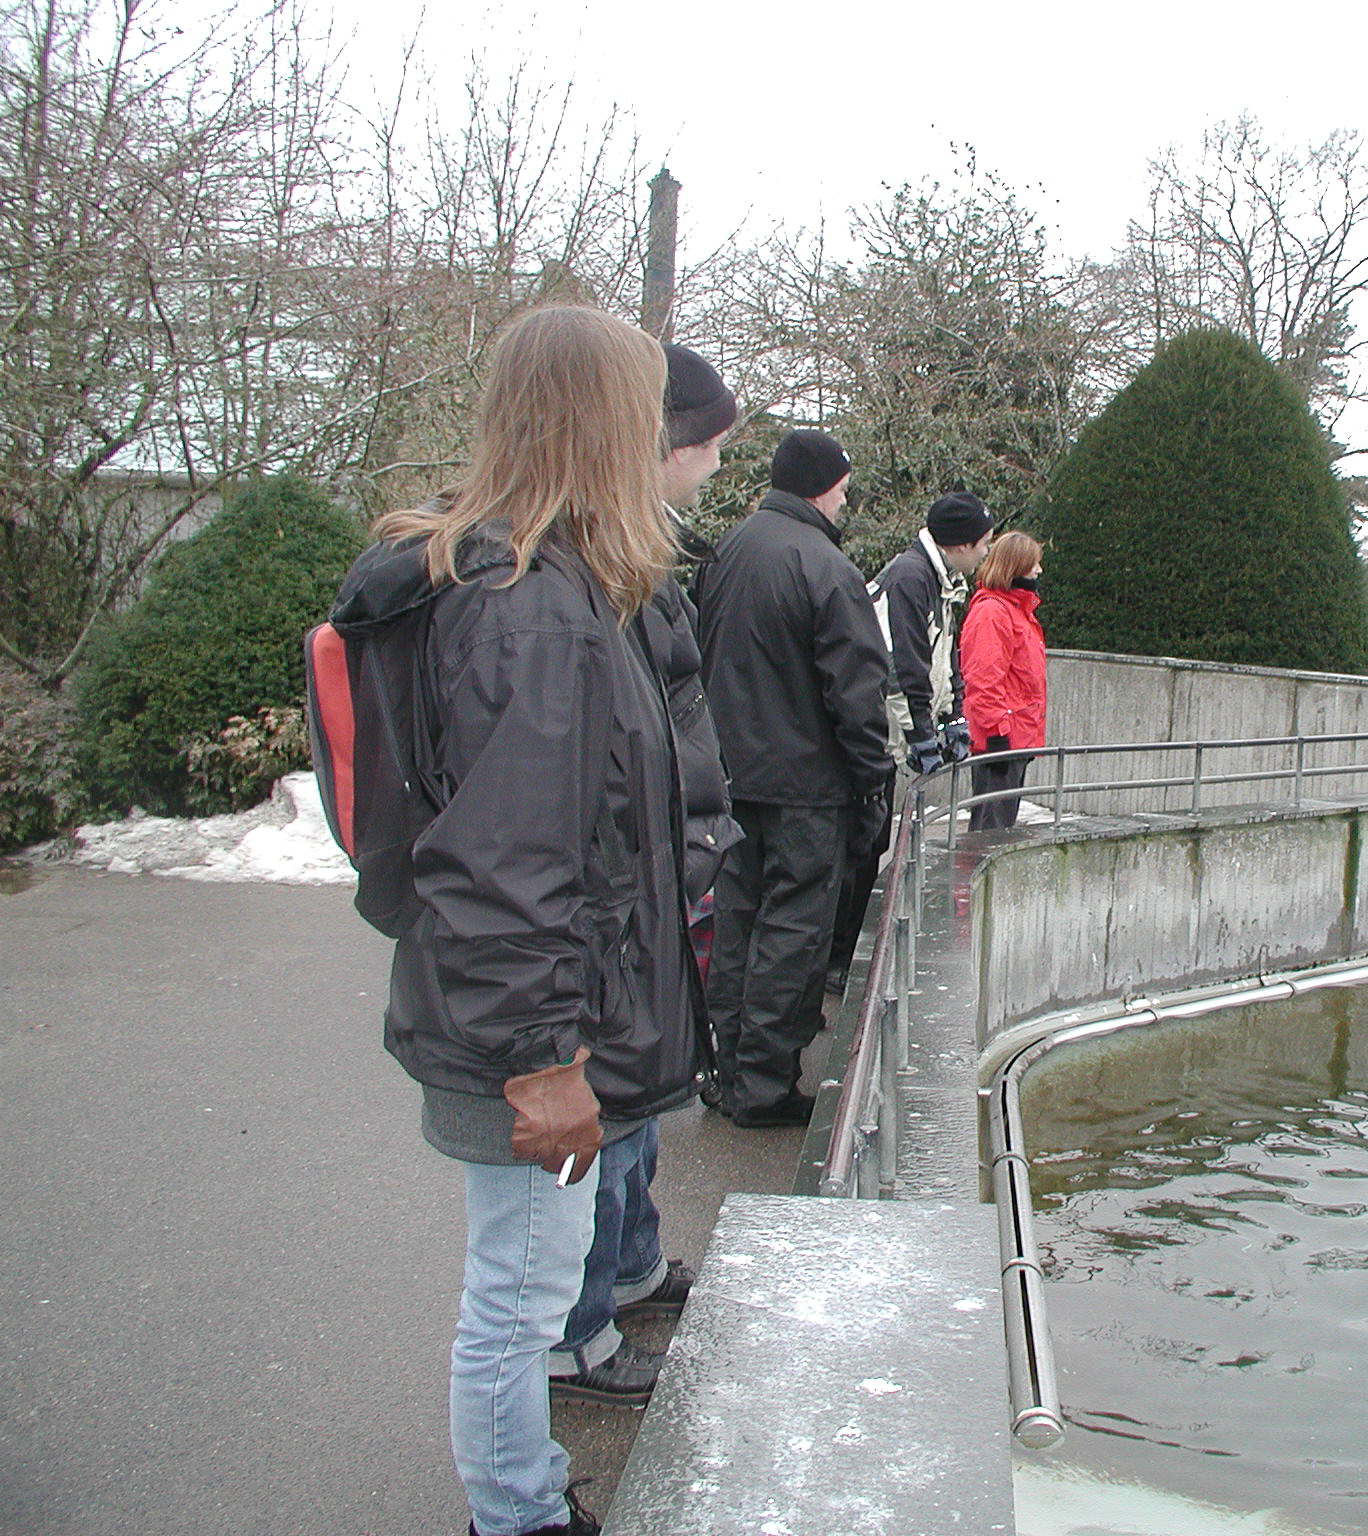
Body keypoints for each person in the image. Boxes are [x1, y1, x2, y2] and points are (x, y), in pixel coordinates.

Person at [327, 303, 705, 1536]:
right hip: (531, 1035)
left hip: (533, 1016)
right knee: (518, 1301)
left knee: (522, 1287)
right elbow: (508, 864)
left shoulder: (537, 583)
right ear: (602, 425)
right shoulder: (528, 607)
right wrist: (546, 1062)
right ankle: (517, 1514)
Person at [544, 342, 740, 1409]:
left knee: (637, 1107)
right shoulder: (591, 571)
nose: (714, 464)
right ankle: (578, 1331)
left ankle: (625, 1268)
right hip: (624, 886)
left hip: (659, 869)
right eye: (708, 444)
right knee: (610, 1103)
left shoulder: (636, 556)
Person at [694, 430, 892, 1127]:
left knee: (738, 924)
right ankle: (764, 1084)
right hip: (806, 787)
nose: (845, 500)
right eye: (843, 488)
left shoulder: (724, 553)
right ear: (821, 487)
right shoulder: (826, 567)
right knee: (792, 933)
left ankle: (728, 1069)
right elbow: (857, 695)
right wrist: (873, 782)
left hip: (731, 776)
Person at [825, 491, 994, 993]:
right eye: (983, 542)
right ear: (960, 544)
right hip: (871, 733)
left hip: (887, 733)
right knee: (861, 844)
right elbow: (900, 663)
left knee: (872, 841)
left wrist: (952, 715)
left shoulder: (941, 581)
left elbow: (944, 656)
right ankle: (835, 961)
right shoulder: (910, 577)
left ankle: (841, 955)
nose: (986, 552)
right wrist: (921, 731)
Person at [959, 530, 1047, 832]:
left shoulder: (1017, 611)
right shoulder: (993, 613)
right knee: (991, 827)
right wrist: (997, 735)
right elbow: (983, 680)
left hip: (1015, 737)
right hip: (1001, 739)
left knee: (1000, 824)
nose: (1038, 571)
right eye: (1032, 564)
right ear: (1015, 566)